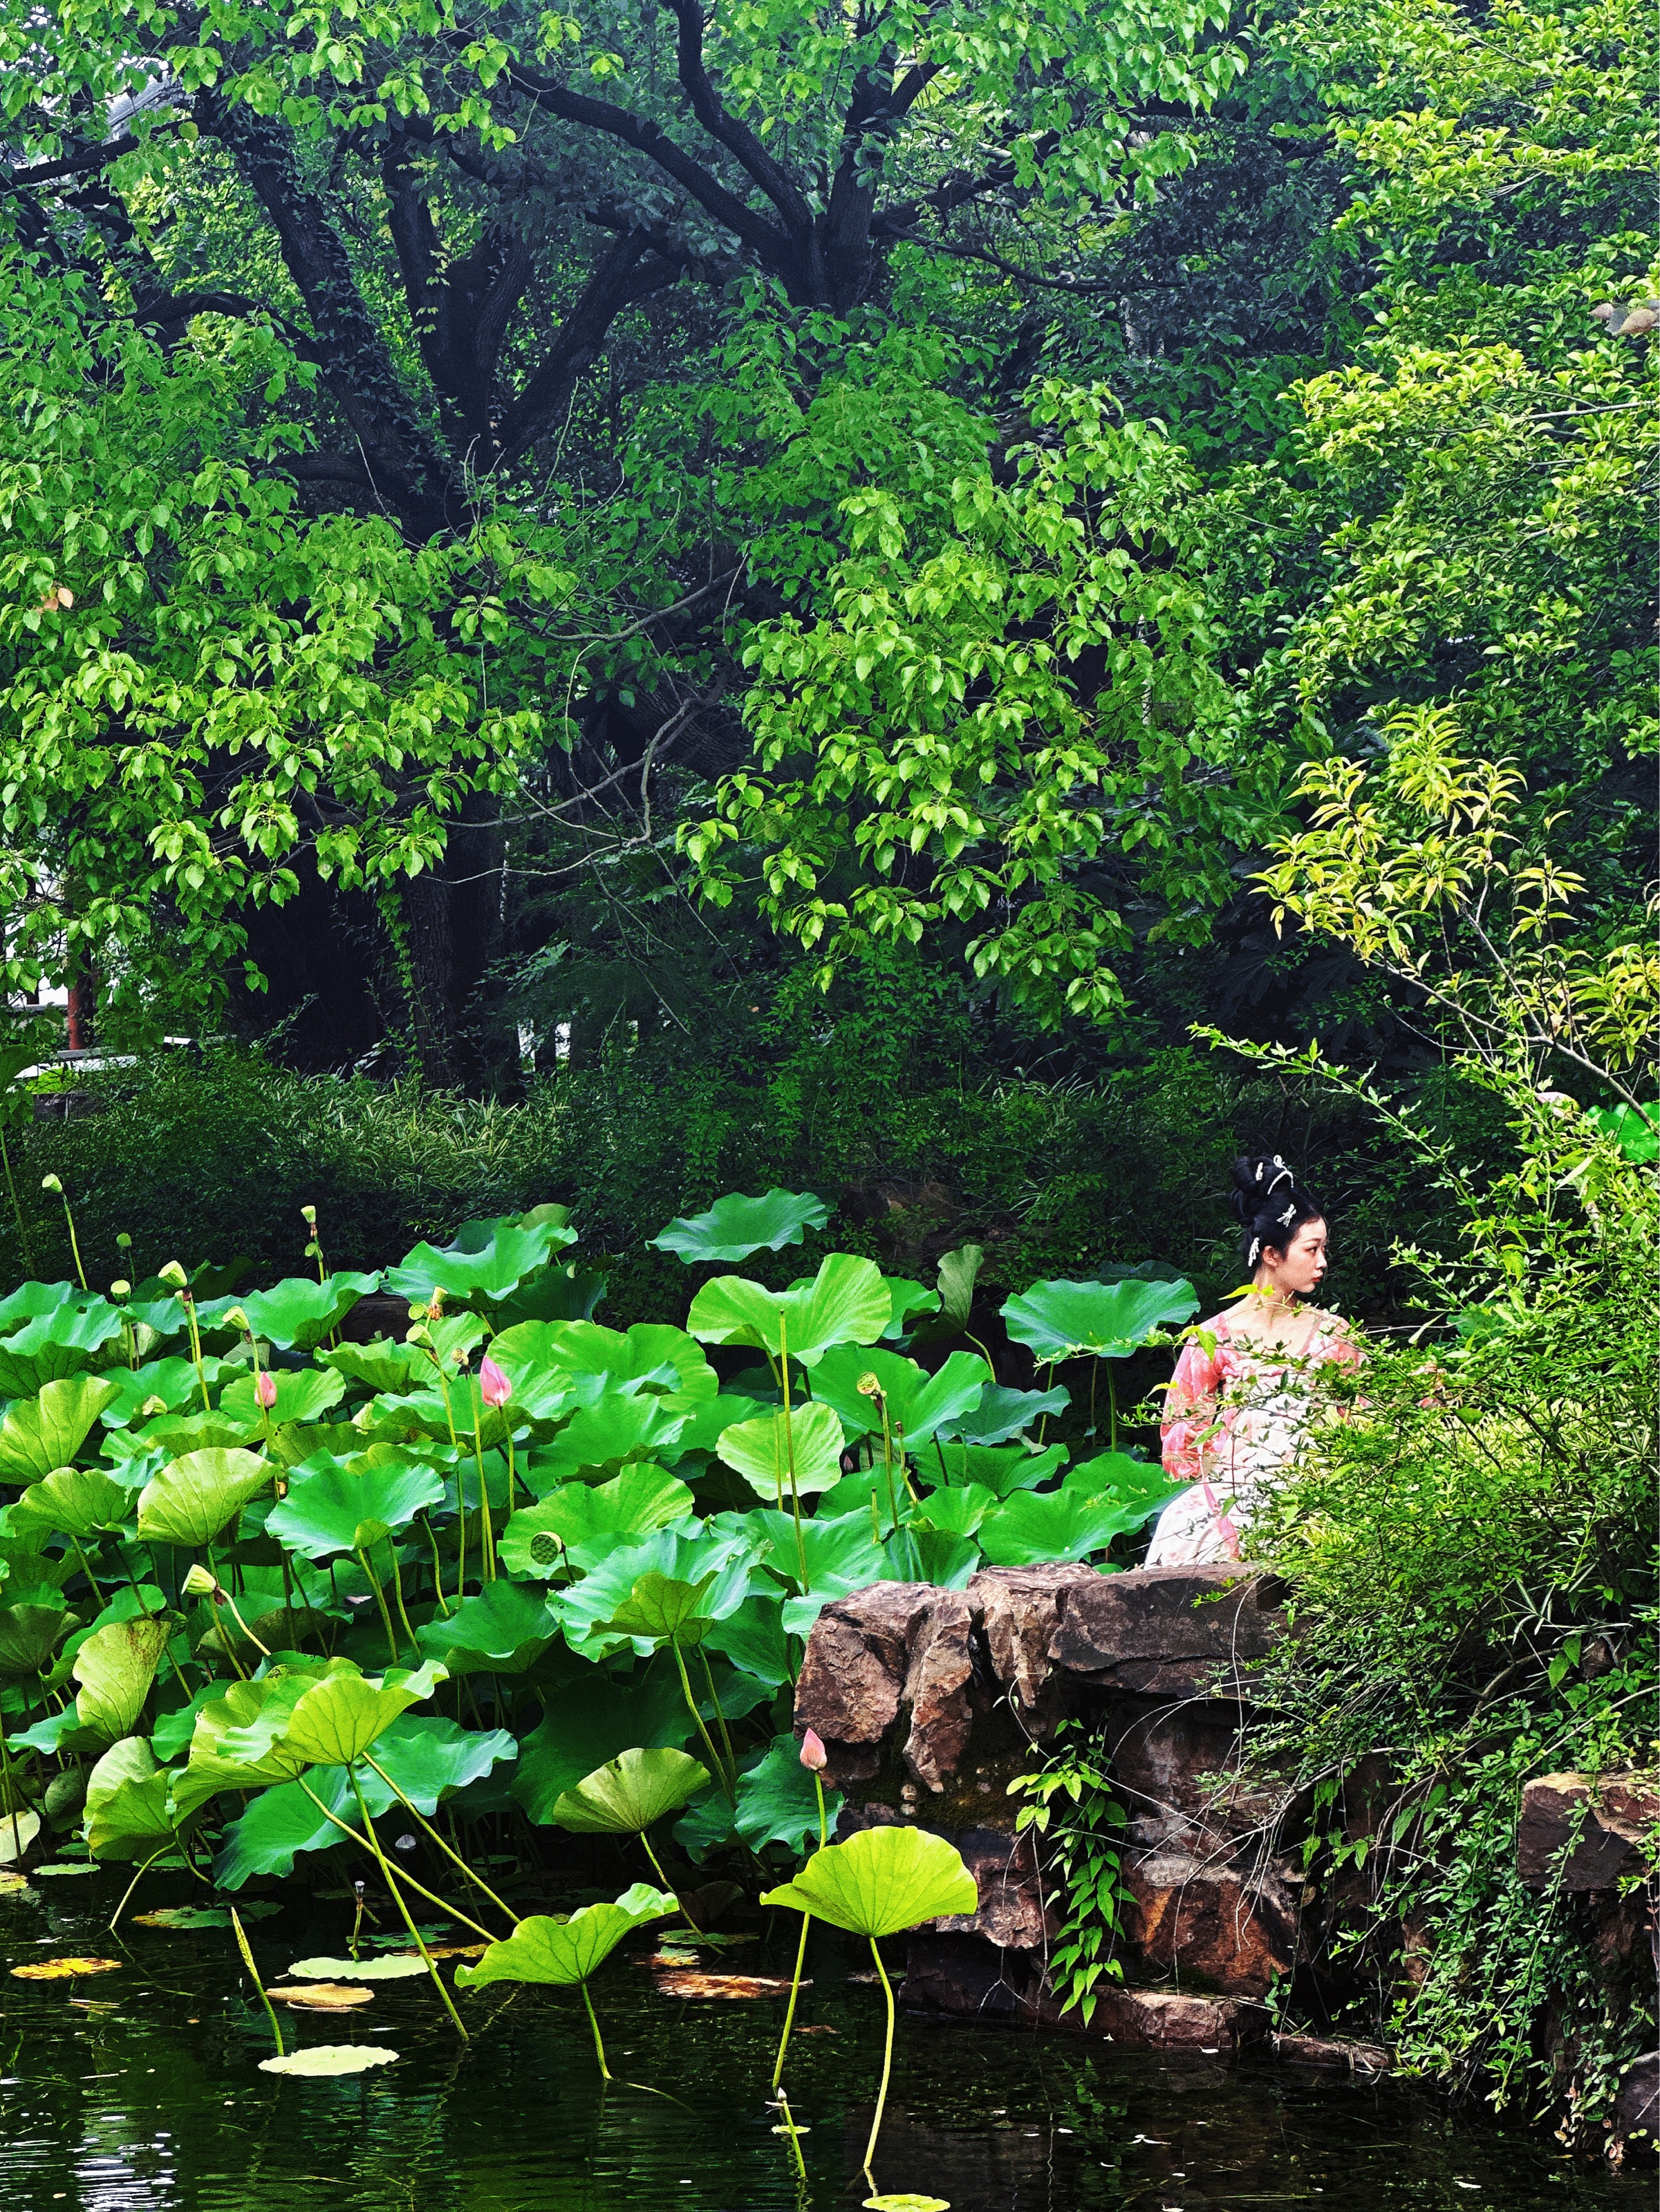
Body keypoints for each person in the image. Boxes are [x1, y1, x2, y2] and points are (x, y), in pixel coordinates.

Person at [1144, 1154, 1361, 1568]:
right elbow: (1180, 1432)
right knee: (1181, 1537)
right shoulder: (1213, 1338)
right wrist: (1231, 1471)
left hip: (1323, 1497)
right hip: (1234, 1493)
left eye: (1324, 1249)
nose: (1322, 1263)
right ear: (1272, 1254)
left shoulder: (1334, 1334)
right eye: (1311, 1249)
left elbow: (1366, 1421)